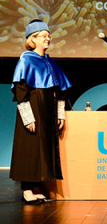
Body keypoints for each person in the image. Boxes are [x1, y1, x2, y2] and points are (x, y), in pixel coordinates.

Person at [10, 19, 72, 204]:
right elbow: (21, 92)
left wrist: (59, 114)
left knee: (42, 150)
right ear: (33, 39)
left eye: (48, 35)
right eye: (43, 36)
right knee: (30, 150)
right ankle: (27, 190)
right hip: (34, 110)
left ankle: (36, 187)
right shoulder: (26, 60)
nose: (48, 38)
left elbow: (59, 91)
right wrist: (28, 118)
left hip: (48, 111)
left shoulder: (50, 62)